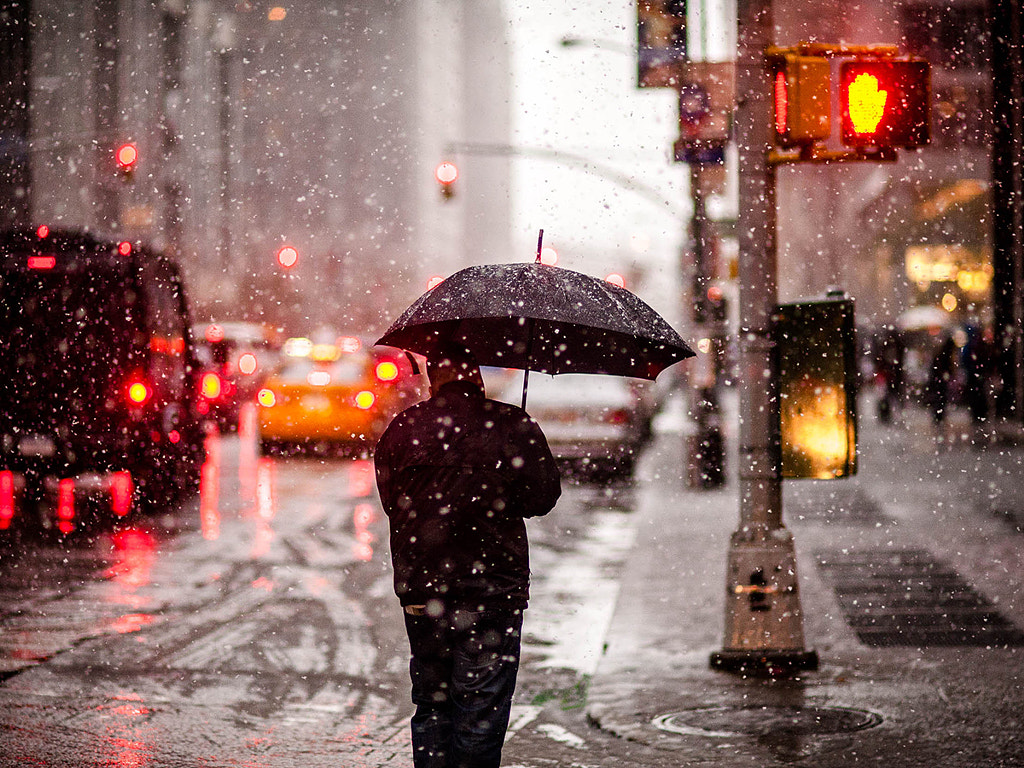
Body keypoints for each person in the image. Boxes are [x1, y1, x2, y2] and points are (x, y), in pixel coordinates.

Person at [374, 343, 561, 768]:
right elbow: (543, 497)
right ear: (475, 375)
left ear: (432, 377)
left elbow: (392, 502)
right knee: (481, 708)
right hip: (492, 590)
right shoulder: (512, 425)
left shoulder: (403, 429)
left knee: (432, 703)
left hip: (423, 590)